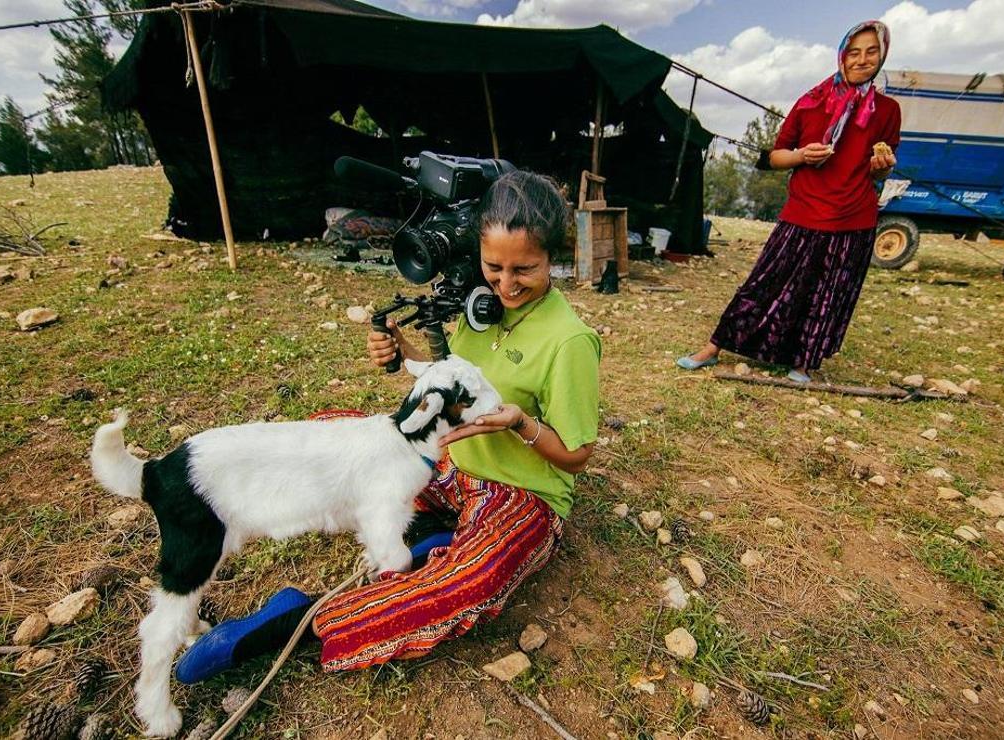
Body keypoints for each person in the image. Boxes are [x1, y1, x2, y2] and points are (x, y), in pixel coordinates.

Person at [175, 170, 601, 680]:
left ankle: (300, 620)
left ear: (554, 257)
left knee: (468, 583)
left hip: (520, 494)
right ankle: (434, 533)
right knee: (328, 430)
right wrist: (405, 354)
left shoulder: (569, 340)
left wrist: (519, 423)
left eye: (524, 270)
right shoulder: (479, 302)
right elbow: (451, 381)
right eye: (494, 267)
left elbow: (577, 456)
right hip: (449, 470)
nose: (506, 285)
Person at [677, 20, 900, 383]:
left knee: (825, 295)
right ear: (842, 54)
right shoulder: (812, 101)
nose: (862, 60)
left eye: (871, 52)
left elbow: (879, 172)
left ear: (883, 55)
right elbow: (772, 157)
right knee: (762, 283)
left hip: (853, 218)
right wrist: (800, 157)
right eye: (854, 52)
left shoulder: (887, 111)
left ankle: (802, 362)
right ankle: (713, 347)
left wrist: (881, 168)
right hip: (803, 210)